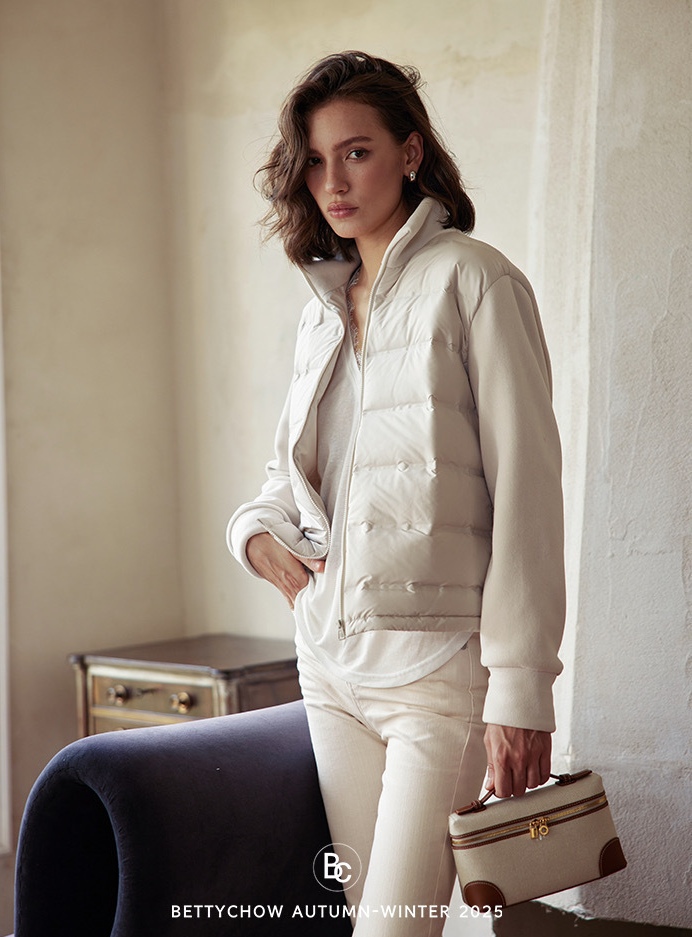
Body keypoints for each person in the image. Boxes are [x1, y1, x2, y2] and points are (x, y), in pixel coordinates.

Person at [227, 51, 565, 935]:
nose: (333, 182)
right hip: (329, 666)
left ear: (410, 153)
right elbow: (292, 476)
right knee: (366, 920)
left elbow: (528, 489)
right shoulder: (321, 310)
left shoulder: (475, 280)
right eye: (314, 160)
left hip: (436, 677)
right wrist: (254, 533)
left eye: (357, 152)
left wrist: (522, 690)